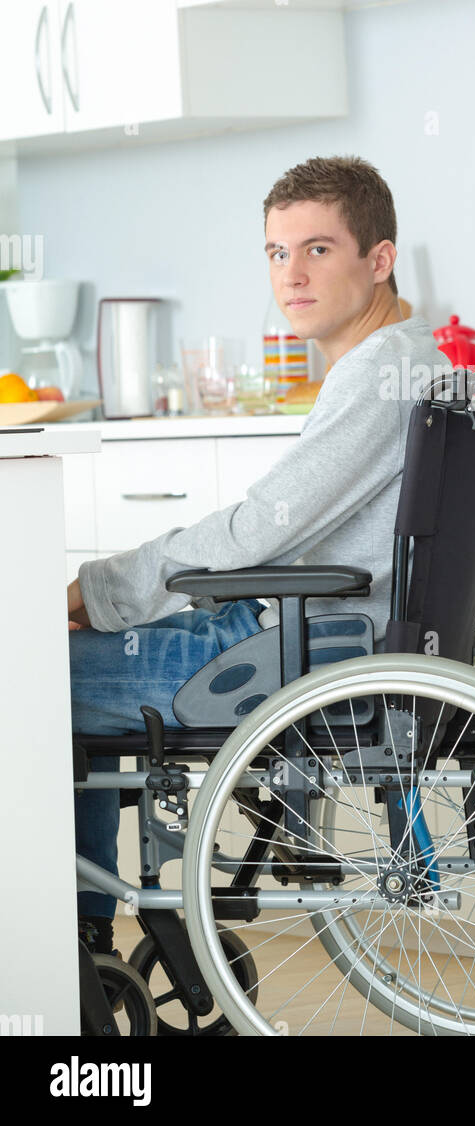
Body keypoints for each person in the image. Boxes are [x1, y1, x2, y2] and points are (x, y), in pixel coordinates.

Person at [68, 154, 444, 956]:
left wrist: (106, 590)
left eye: (317, 249)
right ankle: (85, 928)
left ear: (379, 260)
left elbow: (255, 534)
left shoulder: (379, 375)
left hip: (292, 649)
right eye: (278, 252)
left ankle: (81, 940)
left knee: (26, 674)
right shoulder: (419, 355)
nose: (292, 275)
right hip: (319, 633)